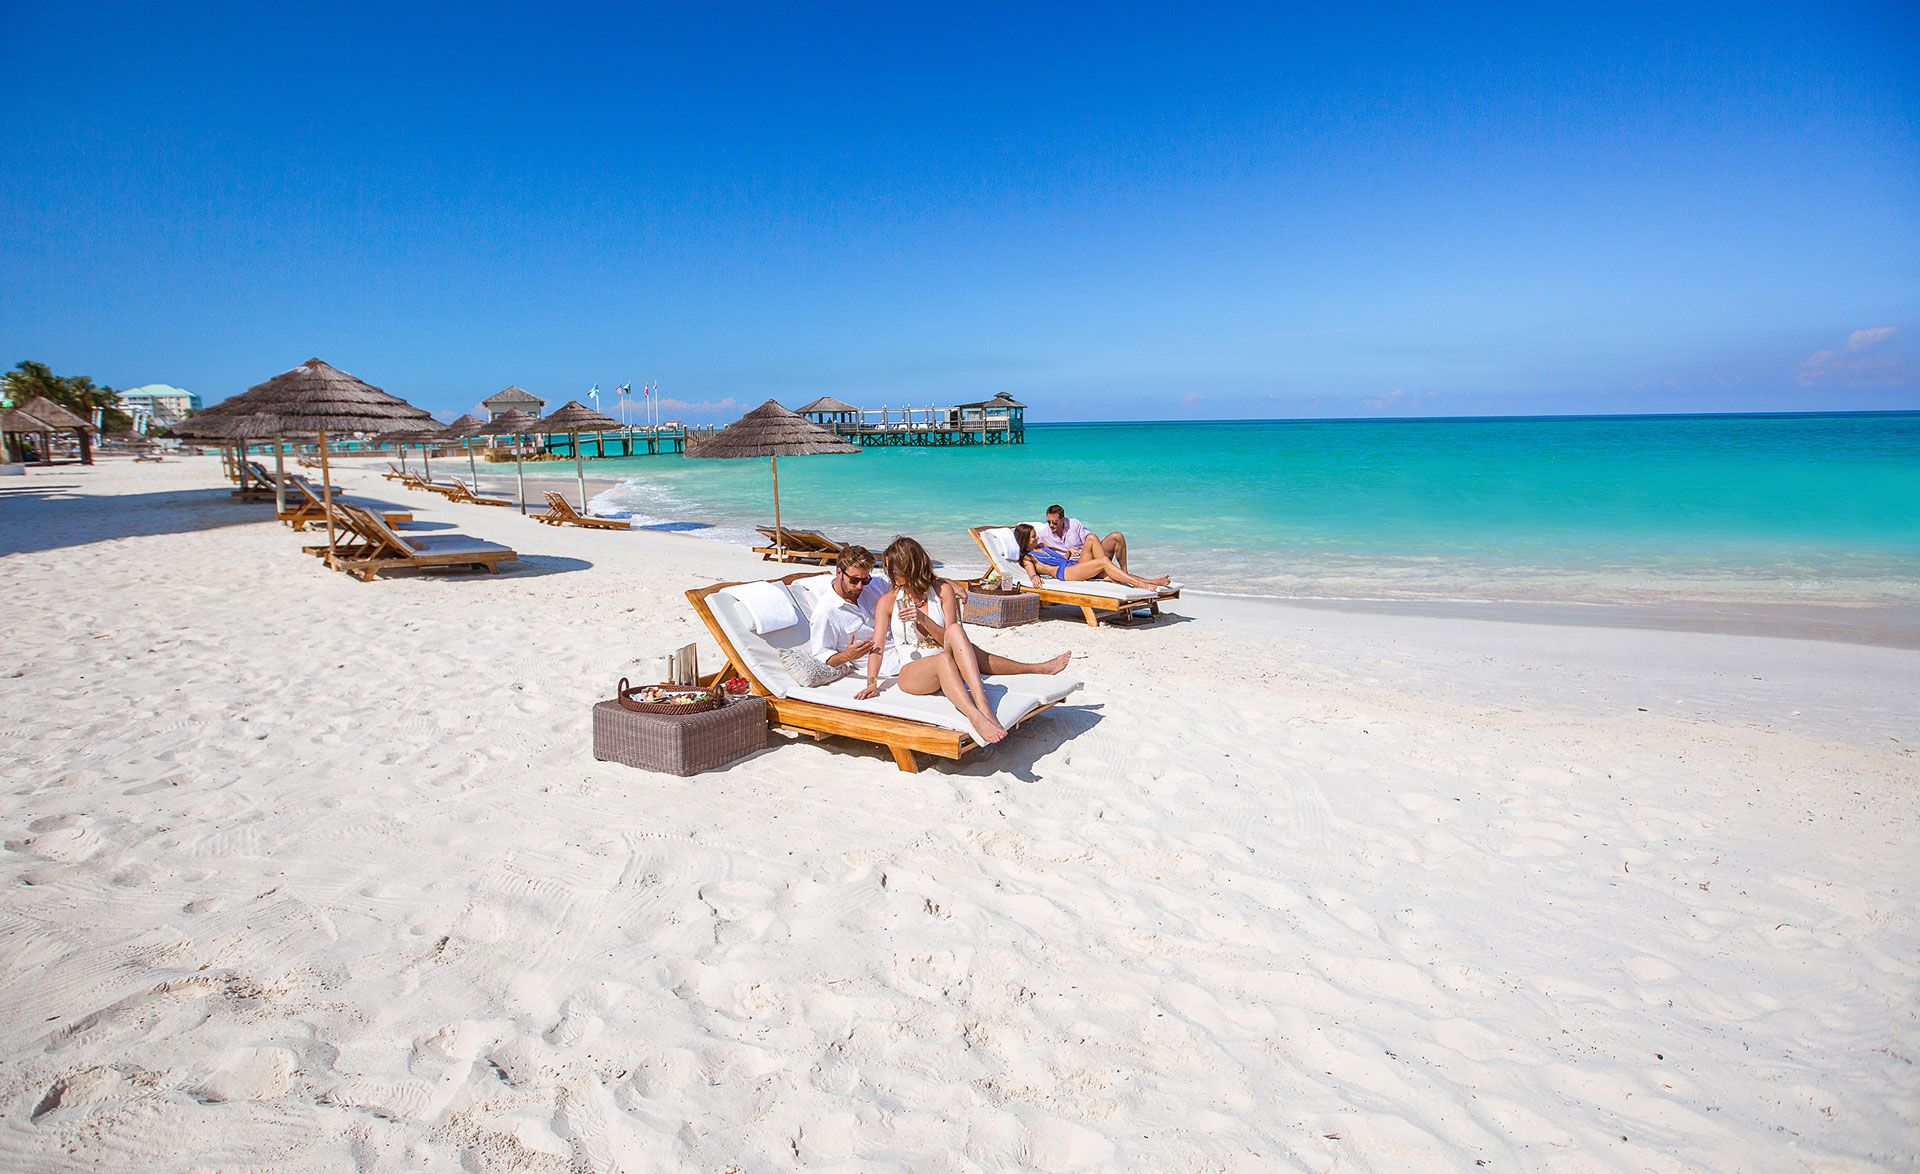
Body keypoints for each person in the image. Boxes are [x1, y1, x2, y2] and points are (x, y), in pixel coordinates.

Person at [859, 537, 1071, 745]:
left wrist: (923, 619)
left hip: (949, 659)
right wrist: (871, 683)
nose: (890, 574)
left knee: (956, 631)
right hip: (914, 673)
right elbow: (877, 646)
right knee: (948, 658)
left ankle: (983, 702)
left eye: (894, 568)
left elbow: (948, 639)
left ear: (910, 567)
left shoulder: (942, 592)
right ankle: (976, 716)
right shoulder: (887, 602)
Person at [1014, 522, 1171, 592]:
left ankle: (1150, 581)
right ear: (1025, 540)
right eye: (1033, 537)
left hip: (1071, 565)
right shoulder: (1028, 558)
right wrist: (1034, 577)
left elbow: (1061, 558)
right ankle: (1140, 584)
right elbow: (1032, 572)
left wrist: (1069, 552)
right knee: (1104, 562)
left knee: (1091, 537)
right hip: (1066, 574)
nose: (1037, 538)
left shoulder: (1042, 547)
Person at [806, 545, 889, 669]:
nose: (860, 586)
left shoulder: (874, 585)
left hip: (904, 647)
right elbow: (821, 656)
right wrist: (847, 656)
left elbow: (895, 579)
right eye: (854, 580)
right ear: (839, 572)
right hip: (883, 666)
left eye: (865, 580)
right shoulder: (826, 612)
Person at [1035, 504, 1132, 572]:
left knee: (1117, 536)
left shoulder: (1074, 524)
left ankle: (1124, 571)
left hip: (1089, 555)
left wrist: (1083, 550)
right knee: (1092, 539)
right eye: (1049, 522)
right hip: (1076, 564)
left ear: (1063, 520)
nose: (1051, 525)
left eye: (1055, 522)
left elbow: (1091, 539)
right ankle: (1108, 570)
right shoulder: (1044, 534)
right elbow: (1029, 545)